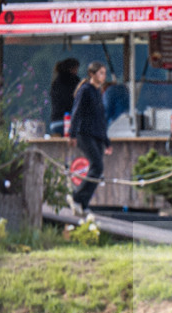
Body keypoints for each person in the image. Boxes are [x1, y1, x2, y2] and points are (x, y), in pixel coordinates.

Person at [67, 62, 112, 214]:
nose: (103, 76)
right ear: (92, 74)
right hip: (84, 133)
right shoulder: (85, 90)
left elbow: (101, 119)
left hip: (97, 134)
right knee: (97, 166)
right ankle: (77, 197)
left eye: (104, 73)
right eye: (100, 73)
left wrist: (107, 141)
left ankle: (83, 203)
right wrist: (72, 134)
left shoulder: (98, 92)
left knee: (98, 170)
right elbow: (77, 111)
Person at [48, 58, 80, 136]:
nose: (77, 72)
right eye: (76, 69)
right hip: (68, 121)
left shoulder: (55, 83)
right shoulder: (74, 81)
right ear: (71, 69)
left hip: (54, 123)